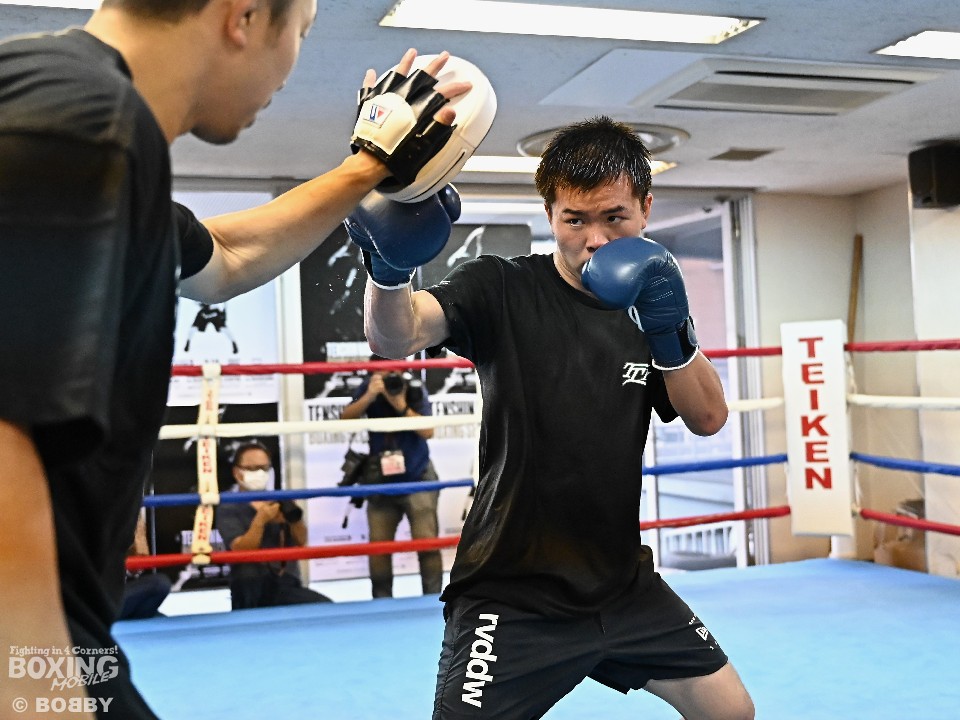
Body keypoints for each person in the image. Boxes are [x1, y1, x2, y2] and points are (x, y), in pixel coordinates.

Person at [0, 0, 472, 716]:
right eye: (302, 33)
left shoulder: (73, 107)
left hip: (63, 631)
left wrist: (367, 168)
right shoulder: (81, 118)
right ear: (244, 16)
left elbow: (223, 255)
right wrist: (33, 687)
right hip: (28, 642)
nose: (291, 66)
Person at [355, 117, 755, 719]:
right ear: (550, 215)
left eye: (614, 217)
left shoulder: (649, 301)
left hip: (621, 587)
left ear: (645, 208)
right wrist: (388, 270)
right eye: (575, 220)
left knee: (731, 711)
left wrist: (670, 329)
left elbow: (708, 417)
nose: (595, 239)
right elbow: (397, 335)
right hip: (512, 592)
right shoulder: (501, 287)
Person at [340, 357, 443, 598]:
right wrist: (369, 395)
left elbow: (428, 431)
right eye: (382, 373)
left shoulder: (413, 387)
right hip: (380, 480)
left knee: (427, 544)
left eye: (393, 372)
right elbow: (344, 421)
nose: (389, 378)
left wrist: (400, 404)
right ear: (373, 373)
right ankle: (381, 604)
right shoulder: (368, 387)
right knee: (379, 548)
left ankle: (432, 601)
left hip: (418, 476)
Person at [215, 441, 331, 609]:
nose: (259, 473)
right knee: (248, 574)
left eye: (264, 468)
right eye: (252, 468)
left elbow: (301, 541)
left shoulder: (279, 499)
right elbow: (241, 549)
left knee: (324, 607)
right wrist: (260, 520)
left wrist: (294, 520)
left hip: (285, 583)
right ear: (236, 472)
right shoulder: (228, 505)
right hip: (250, 587)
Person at [118, 510, 173, 620]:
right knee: (159, 584)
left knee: (164, 621)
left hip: (119, 595)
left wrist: (132, 567)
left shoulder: (129, 516)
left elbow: (136, 567)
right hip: (99, 600)